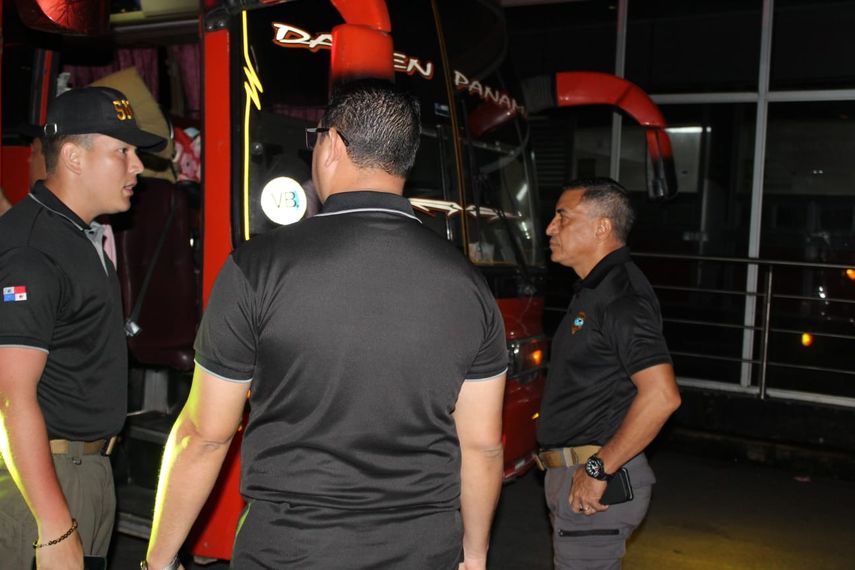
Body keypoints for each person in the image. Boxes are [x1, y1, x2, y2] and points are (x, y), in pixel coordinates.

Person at [143, 79, 507, 570]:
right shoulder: (470, 286)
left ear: (332, 144)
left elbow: (204, 436)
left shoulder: (257, 268)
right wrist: (475, 555)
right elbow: (482, 447)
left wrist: (159, 561)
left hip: (291, 552)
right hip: (423, 551)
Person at [0, 86, 165, 569]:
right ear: (73, 157)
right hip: (47, 481)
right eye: (122, 151)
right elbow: (10, 397)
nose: (138, 166)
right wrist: (54, 525)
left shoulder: (74, 234)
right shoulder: (33, 249)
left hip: (84, 472)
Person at [536, 178, 681, 569]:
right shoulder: (595, 290)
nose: (550, 228)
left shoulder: (620, 296)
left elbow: (662, 396)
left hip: (595, 479)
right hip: (574, 474)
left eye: (563, 217)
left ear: (602, 227)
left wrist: (598, 468)